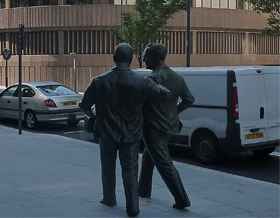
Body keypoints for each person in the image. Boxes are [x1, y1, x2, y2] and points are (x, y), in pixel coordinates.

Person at [80, 43, 169, 217]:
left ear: (114, 58)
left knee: (107, 167)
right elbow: (164, 93)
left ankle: (109, 198)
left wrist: (93, 117)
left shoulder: (99, 81)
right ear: (130, 60)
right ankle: (133, 206)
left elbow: (84, 106)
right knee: (130, 170)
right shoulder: (142, 81)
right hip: (131, 133)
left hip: (106, 133)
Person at [138, 43, 195, 210]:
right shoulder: (177, 77)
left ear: (156, 58)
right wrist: (174, 112)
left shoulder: (151, 79)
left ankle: (182, 199)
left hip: (153, 127)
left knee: (164, 164)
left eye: (147, 56)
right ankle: (143, 190)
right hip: (170, 126)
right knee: (148, 158)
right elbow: (189, 99)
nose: (144, 59)